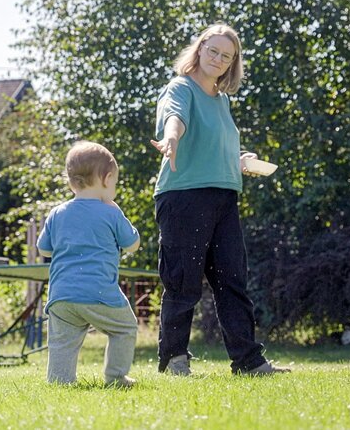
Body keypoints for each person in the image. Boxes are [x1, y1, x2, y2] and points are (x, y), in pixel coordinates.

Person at [149, 23, 289, 376]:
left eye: (227, 56)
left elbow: (212, 145)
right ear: (200, 49)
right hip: (183, 196)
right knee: (183, 281)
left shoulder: (222, 100)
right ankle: (175, 360)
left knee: (233, 281)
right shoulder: (181, 87)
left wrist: (238, 160)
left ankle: (249, 362)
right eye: (213, 51)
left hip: (224, 196)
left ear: (232, 63)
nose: (218, 59)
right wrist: (171, 139)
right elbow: (175, 118)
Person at [37, 141, 141, 387]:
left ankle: (60, 381)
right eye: (114, 183)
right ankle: (116, 377)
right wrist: (119, 212)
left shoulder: (57, 213)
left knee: (62, 343)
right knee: (124, 328)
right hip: (99, 293)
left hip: (61, 295)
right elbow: (132, 244)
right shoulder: (111, 213)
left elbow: (43, 249)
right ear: (107, 179)